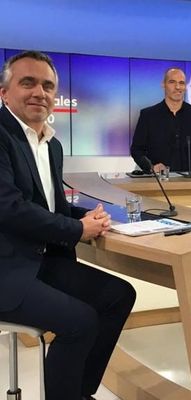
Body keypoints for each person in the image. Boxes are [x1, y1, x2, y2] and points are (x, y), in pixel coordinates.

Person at [0, 51, 136, 400]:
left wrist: (87, 218)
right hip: (7, 269)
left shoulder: (52, 144)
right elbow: (10, 208)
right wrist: (77, 230)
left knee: (119, 296)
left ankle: (77, 393)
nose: (39, 92)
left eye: (47, 85)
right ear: (4, 92)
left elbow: (49, 207)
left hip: (41, 263)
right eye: (27, 82)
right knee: (81, 322)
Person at [130, 67, 191, 174]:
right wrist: (151, 166)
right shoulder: (148, 115)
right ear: (163, 84)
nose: (178, 87)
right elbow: (137, 150)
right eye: (172, 82)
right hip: (158, 181)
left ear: (185, 87)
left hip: (190, 182)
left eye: (181, 83)